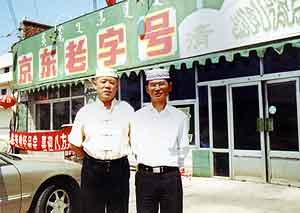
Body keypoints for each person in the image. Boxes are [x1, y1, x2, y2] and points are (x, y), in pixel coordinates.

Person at [69, 69, 134, 213]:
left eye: (112, 82)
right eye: (103, 82)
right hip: (92, 168)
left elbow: (134, 139)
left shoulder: (127, 110)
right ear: (95, 84)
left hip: (120, 169)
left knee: (119, 209)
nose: (107, 86)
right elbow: (74, 143)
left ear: (117, 86)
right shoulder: (85, 112)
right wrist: (87, 160)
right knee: (91, 208)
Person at [131, 68, 189, 213]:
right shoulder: (137, 117)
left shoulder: (179, 117)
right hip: (145, 177)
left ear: (169, 87)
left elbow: (183, 146)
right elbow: (133, 145)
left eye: (161, 84)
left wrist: (180, 166)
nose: (157, 88)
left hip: (171, 178)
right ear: (147, 89)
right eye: (153, 85)